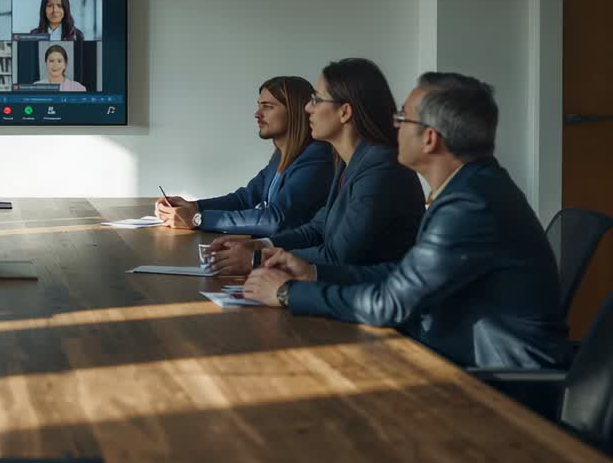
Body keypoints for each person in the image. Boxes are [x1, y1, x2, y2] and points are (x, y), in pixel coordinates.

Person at [243, 73, 572, 370]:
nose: (394, 125)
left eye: (402, 118)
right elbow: (404, 275)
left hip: (496, 381)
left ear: (429, 139)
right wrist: (313, 273)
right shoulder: (470, 186)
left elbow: (392, 302)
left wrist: (289, 293)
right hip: (458, 353)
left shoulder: (470, 204)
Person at [207, 58, 425, 274]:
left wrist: (257, 259)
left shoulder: (380, 167)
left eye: (317, 100)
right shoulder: (347, 160)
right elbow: (318, 228)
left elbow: (339, 255)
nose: (307, 108)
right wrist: (262, 245)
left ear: (345, 112)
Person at [155, 77, 333, 236]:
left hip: (292, 259)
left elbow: (276, 219)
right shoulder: (281, 155)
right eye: (259, 105)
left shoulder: (316, 157)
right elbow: (244, 198)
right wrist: (194, 207)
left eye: (268, 107)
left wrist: (197, 219)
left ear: (294, 112)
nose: (258, 114)